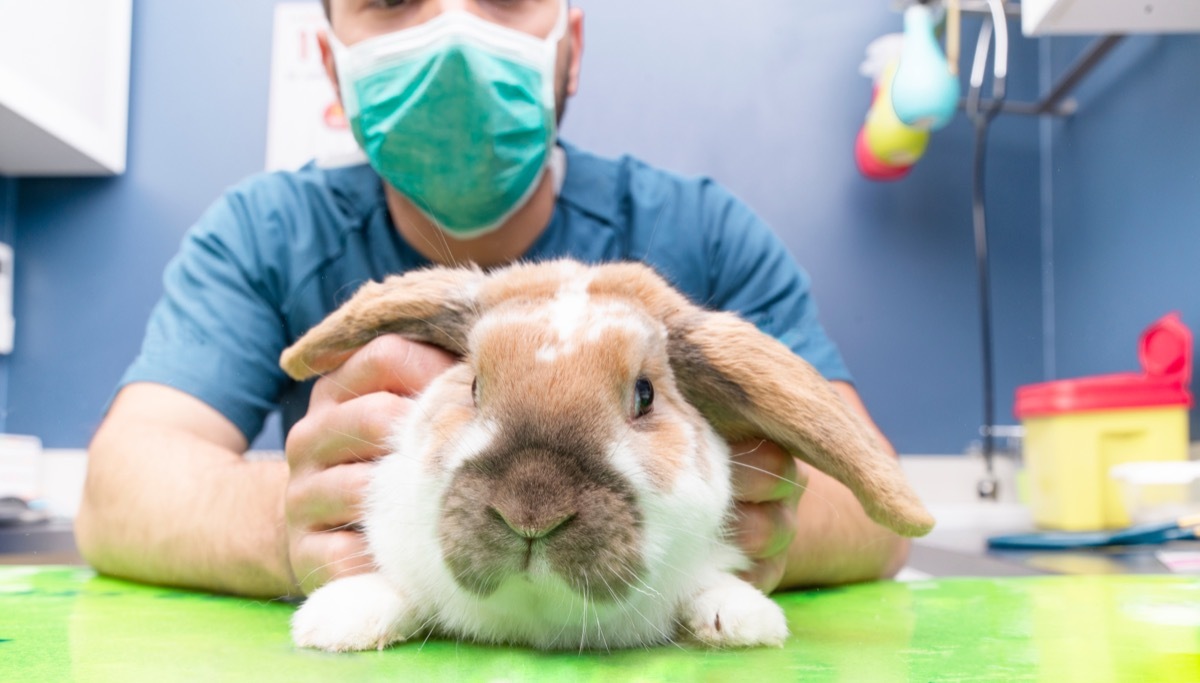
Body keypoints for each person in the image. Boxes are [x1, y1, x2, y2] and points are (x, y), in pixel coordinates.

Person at [75, 0, 910, 600]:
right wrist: (307, 523)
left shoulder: (703, 234)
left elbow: (878, 506)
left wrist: (708, 527)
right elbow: (120, 488)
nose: (453, 39)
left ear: (571, 45)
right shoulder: (265, 232)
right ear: (332, 62)